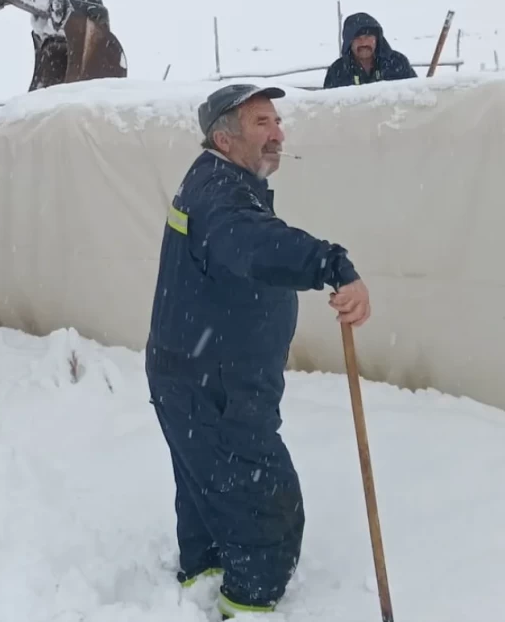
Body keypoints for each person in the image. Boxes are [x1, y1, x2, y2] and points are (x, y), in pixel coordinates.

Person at [144, 83, 371, 619]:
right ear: (224, 139)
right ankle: (246, 603)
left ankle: (205, 575)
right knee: (267, 512)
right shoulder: (222, 195)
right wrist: (331, 264)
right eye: (262, 124)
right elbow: (256, 245)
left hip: (194, 374)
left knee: (206, 489)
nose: (278, 133)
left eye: (277, 122)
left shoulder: (217, 182)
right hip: (216, 387)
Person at [323, 12, 417, 88]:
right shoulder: (337, 71)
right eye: (357, 38)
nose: (364, 43)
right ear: (349, 42)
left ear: (377, 39)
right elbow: (329, 107)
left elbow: (414, 95)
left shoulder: (397, 63)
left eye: (368, 36)